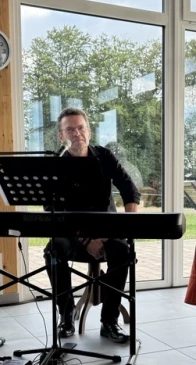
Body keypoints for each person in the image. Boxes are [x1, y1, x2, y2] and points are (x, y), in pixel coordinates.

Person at [45, 107, 140, 344]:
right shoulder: (56, 163)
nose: (76, 133)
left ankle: (109, 321)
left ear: (88, 131)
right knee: (52, 251)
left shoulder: (104, 156)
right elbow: (52, 209)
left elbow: (131, 191)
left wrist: (126, 226)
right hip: (71, 234)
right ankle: (66, 316)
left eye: (80, 128)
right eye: (69, 129)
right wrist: (86, 240)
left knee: (123, 252)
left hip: (108, 231)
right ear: (61, 136)